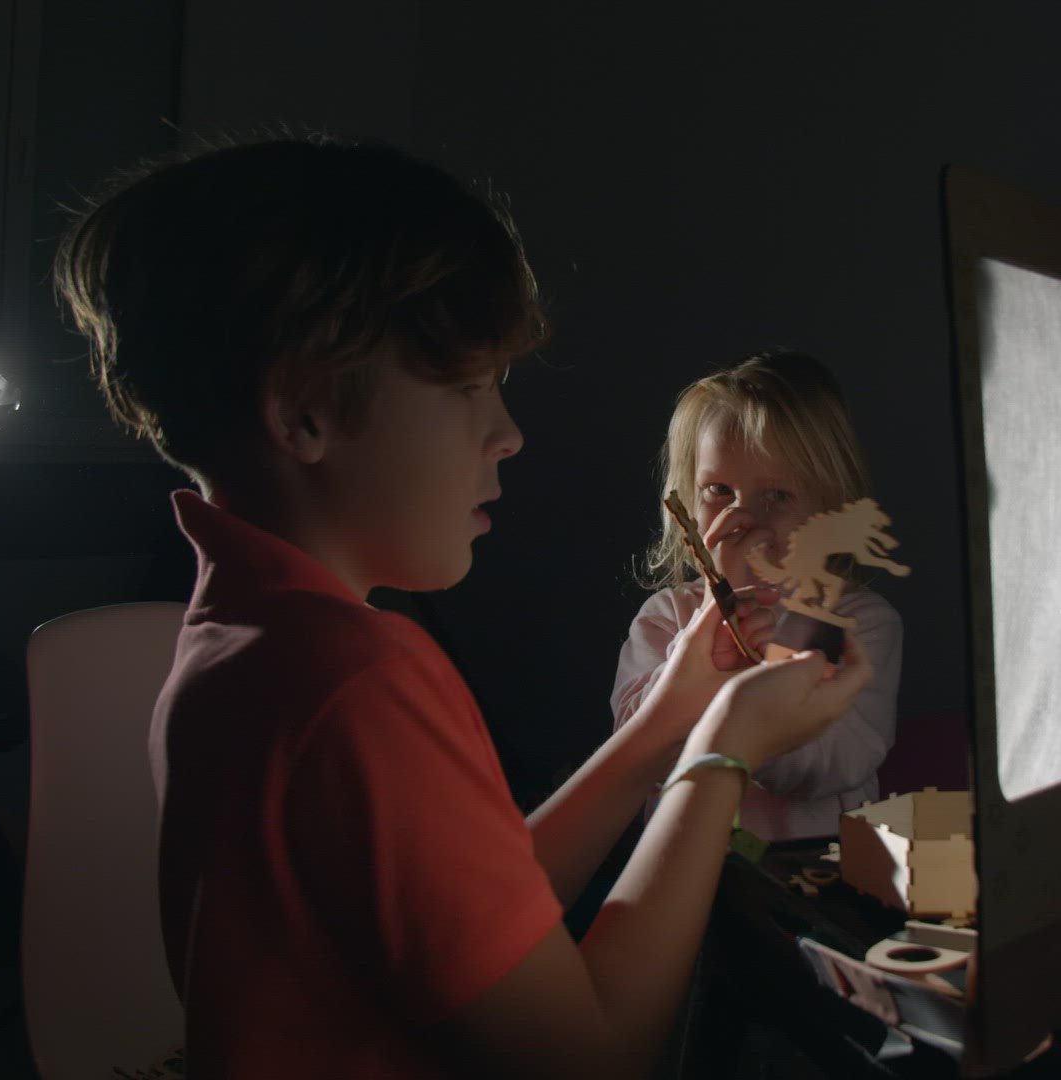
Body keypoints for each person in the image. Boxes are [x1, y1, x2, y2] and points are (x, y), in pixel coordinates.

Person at [52, 134, 871, 1079]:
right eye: (470, 388)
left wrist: (666, 725)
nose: (508, 434)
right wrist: (721, 754)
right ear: (305, 413)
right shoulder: (359, 682)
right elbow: (586, 1058)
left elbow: (470, 911)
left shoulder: (244, 637)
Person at [613, 352, 903, 841]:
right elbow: (634, 750)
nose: (744, 518)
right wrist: (714, 619)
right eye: (719, 490)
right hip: (681, 868)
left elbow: (842, 762)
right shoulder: (667, 617)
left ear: (830, 505)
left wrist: (755, 691)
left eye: (777, 496)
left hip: (809, 869)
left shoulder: (854, 623)